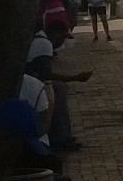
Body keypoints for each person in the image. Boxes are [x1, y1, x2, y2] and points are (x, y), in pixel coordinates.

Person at [28, 19, 91, 150]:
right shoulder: (44, 43)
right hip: (29, 81)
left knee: (58, 87)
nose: (62, 43)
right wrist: (75, 78)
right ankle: (61, 137)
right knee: (58, 89)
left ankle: (62, 134)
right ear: (56, 34)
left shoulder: (40, 39)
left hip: (30, 78)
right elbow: (46, 75)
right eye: (62, 38)